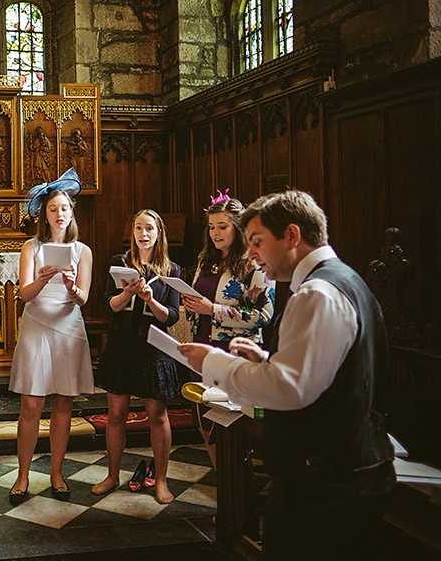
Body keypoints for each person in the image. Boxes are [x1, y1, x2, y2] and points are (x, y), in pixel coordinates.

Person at [179, 190, 396, 561]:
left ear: (292, 236)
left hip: (325, 485)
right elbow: (324, 368)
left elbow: (290, 388)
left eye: (258, 241)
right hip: (343, 475)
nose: (252, 254)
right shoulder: (342, 280)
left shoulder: (317, 293)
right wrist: (266, 358)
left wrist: (213, 363)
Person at [8, 168, 93, 504]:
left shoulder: (82, 250)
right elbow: (23, 295)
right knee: (31, 403)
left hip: (69, 326)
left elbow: (84, 298)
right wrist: (44, 279)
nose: (60, 214)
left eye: (65, 209)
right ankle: (23, 474)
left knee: (63, 402)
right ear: (44, 213)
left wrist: (72, 286)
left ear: (71, 213)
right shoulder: (32, 247)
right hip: (37, 324)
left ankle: (57, 473)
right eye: (54, 208)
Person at [91, 209, 182, 504]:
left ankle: (161, 480)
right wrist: (128, 294)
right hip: (121, 345)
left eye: (149, 229)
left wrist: (150, 299)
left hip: (152, 348)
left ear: (159, 234)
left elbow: (171, 316)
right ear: (132, 232)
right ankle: (112, 475)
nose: (143, 234)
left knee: (157, 414)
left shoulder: (171, 270)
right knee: (116, 414)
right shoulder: (119, 264)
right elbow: (110, 306)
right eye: (138, 228)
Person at [181, 191, 274, 468]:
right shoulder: (206, 260)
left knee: (232, 425)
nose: (215, 233)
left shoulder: (255, 263)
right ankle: (225, 485)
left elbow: (263, 315)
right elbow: (201, 302)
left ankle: (238, 492)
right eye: (211, 227)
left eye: (223, 226)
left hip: (234, 352)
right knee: (204, 421)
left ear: (239, 227)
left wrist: (213, 310)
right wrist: (189, 303)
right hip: (202, 347)